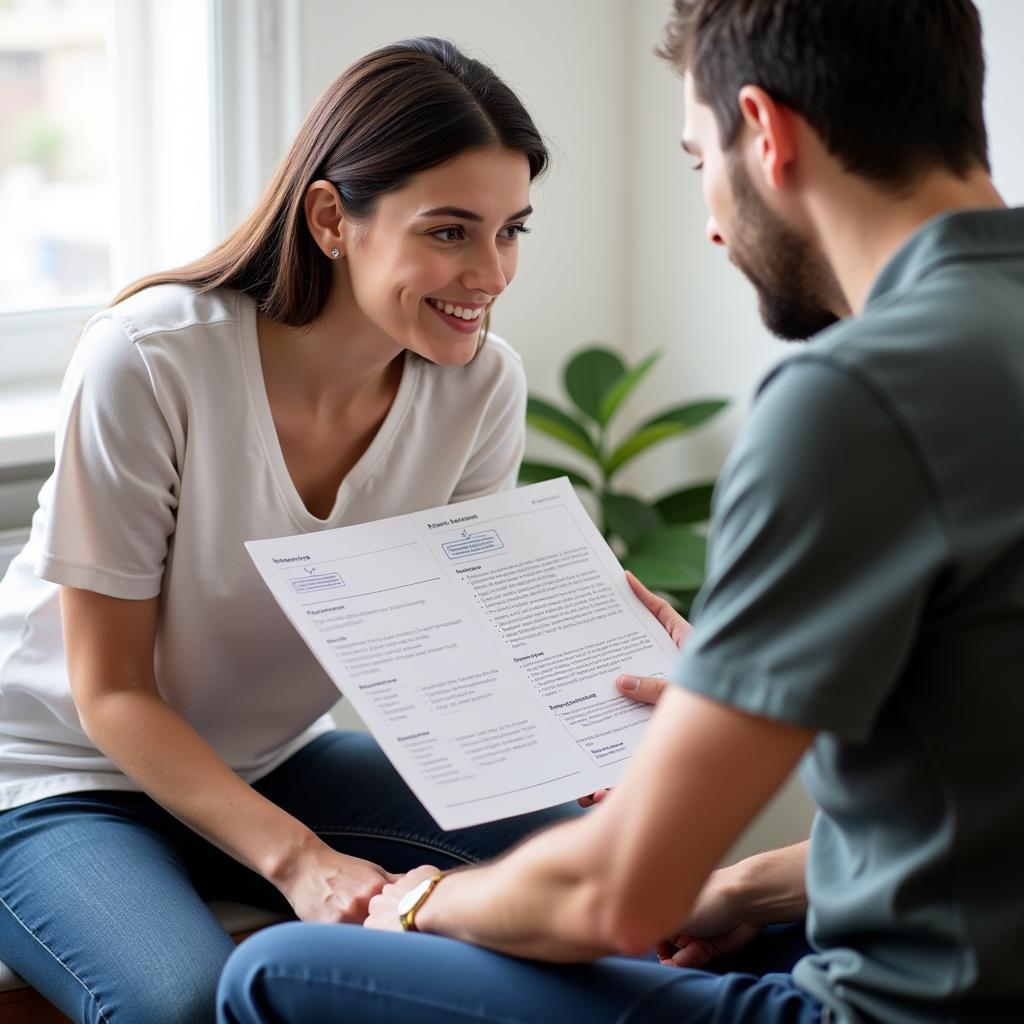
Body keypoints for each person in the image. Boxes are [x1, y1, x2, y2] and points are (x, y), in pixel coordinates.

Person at [217, 1, 1024, 1022]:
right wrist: (738, 885)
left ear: (764, 133)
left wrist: (422, 900)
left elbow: (613, 893)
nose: (713, 222)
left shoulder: (857, 397)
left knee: (275, 973)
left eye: (698, 161)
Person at [0, 36, 581, 1024]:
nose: (491, 272)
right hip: (58, 774)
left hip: (272, 756)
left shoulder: (482, 385)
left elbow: (464, 635)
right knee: (182, 1003)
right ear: (330, 219)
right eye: (450, 232)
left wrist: (583, 740)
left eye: (510, 230)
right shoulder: (150, 360)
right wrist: (300, 861)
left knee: (578, 867)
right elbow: (108, 693)